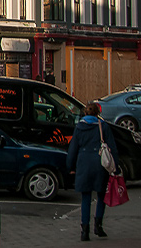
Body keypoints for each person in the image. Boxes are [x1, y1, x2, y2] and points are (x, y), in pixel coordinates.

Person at [67, 103, 119, 242]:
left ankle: (85, 231)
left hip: (83, 164)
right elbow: (112, 147)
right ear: (97, 114)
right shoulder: (103, 126)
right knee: (101, 195)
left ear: (85, 113)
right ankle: (98, 225)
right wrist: (116, 166)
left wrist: (70, 166)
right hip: (99, 164)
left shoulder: (79, 127)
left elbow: (73, 149)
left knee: (86, 197)